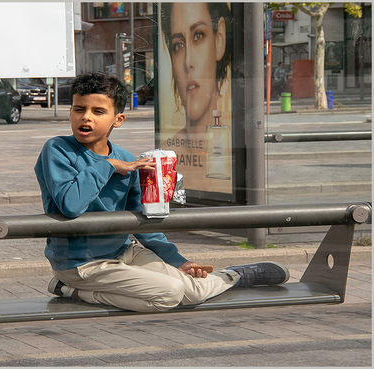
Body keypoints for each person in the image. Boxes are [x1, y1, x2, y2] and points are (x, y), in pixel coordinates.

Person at [34, 72, 289, 313]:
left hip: (125, 252)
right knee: (170, 293)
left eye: (98, 111)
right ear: (70, 112)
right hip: (80, 265)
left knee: (194, 293)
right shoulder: (57, 149)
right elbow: (70, 204)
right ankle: (70, 290)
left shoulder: (126, 159)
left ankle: (232, 276)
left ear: (118, 119)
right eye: (79, 109)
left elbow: (142, 219)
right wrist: (108, 166)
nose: (86, 117)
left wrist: (176, 259)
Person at [160, 2, 231, 135]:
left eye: (198, 36)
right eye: (178, 46)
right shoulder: (167, 150)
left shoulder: (232, 145)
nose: (188, 63)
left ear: (219, 39)